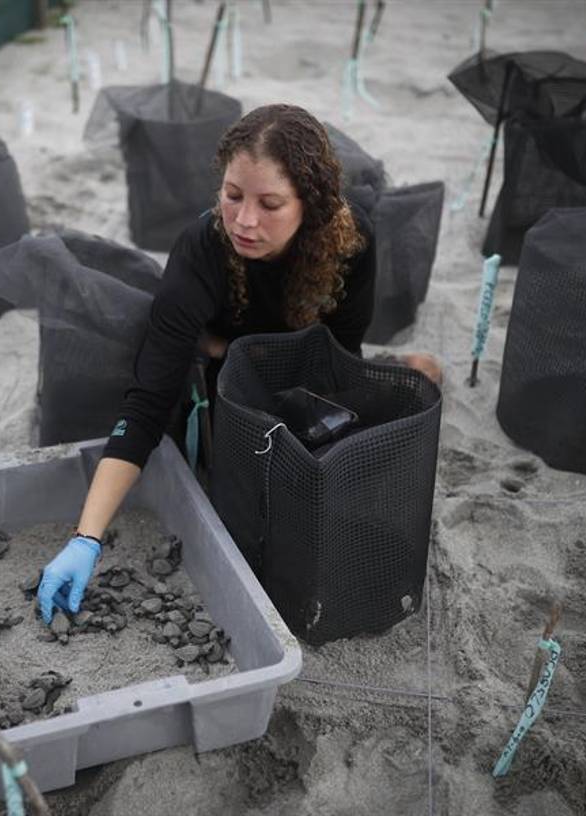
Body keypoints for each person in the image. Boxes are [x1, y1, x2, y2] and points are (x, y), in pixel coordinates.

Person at [37, 103, 440, 623]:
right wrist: (85, 539)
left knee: (419, 378)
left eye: (270, 203)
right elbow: (145, 407)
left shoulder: (351, 241)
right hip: (226, 378)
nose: (245, 221)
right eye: (232, 196)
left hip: (296, 364)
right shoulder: (200, 252)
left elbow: (338, 357)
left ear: (310, 207)